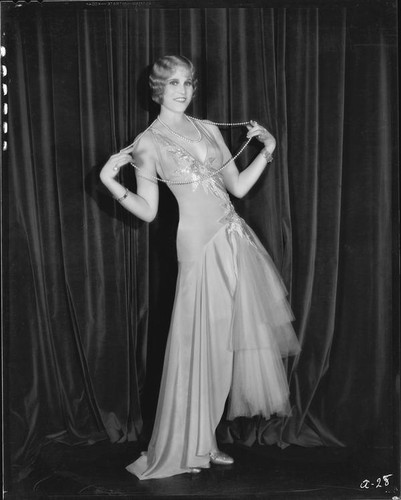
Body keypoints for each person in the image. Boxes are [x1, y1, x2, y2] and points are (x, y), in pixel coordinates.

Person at [100, 55, 301, 480]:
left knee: (226, 346)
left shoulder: (208, 128)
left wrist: (267, 150)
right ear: (157, 88)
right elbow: (149, 212)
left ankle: (206, 440)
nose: (183, 90)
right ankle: (186, 444)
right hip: (196, 245)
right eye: (173, 82)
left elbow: (239, 187)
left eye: (188, 82)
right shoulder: (147, 143)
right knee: (197, 344)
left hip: (234, 239)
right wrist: (110, 182)